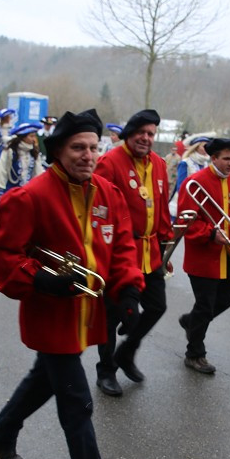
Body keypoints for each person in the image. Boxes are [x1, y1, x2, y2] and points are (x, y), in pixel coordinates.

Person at [0, 108, 144, 459]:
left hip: (87, 315)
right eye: (78, 147)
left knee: (44, 379)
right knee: (77, 403)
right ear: (58, 151)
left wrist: (128, 290)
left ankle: (0, 434)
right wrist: (39, 278)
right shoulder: (31, 196)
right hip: (51, 316)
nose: (88, 155)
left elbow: (123, 244)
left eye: (93, 147)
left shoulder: (107, 192)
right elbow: (1, 253)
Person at [91, 109, 172, 396]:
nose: (146, 138)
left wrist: (165, 246)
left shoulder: (159, 165)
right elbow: (98, 210)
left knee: (157, 306)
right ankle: (106, 372)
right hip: (119, 254)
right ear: (129, 132)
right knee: (113, 316)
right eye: (141, 132)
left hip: (151, 253)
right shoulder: (109, 162)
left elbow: (161, 207)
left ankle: (125, 353)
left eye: (151, 134)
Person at [177, 138, 230, 375]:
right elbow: (185, 223)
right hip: (204, 256)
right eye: (226, 158)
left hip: (228, 254)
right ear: (213, 158)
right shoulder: (195, 183)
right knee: (205, 306)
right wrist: (209, 234)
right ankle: (195, 354)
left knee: (227, 299)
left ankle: (191, 322)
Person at [0, 121, 44, 200]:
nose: (34, 139)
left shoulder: (34, 152)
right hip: (11, 195)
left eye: (34, 136)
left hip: (28, 196)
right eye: (31, 136)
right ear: (23, 137)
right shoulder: (9, 152)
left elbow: (38, 174)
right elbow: (1, 172)